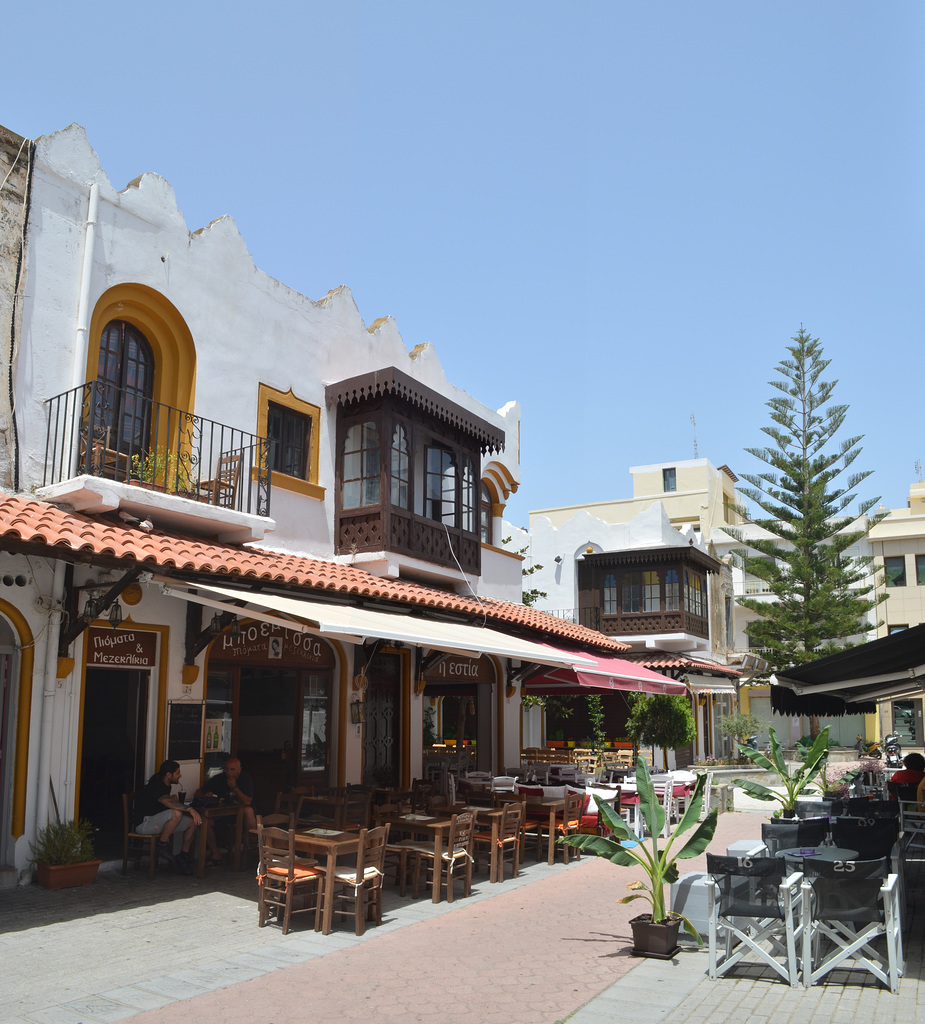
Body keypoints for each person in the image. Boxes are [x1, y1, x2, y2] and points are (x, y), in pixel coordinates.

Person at [135, 760, 202, 874]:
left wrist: (171, 798)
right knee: (177, 813)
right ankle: (162, 845)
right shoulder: (156, 785)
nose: (180, 775)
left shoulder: (167, 785)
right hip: (144, 824)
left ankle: (183, 856)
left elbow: (162, 801)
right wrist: (190, 809)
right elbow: (166, 803)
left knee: (192, 822)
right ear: (168, 775)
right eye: (177, 773)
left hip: (156, 824)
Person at [194, 756, 257, 864]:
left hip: (240, 814)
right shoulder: (219, 778)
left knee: (248, 810)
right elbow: (198, 793)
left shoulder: (245, 779)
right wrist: (206, 795)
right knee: (205, 821)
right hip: (223, 813)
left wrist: (234, 788)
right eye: (227, 769)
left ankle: (253, 844)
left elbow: (247, 801)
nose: (229, 772)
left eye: (232, 770)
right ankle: (215, 854)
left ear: (239, 770)